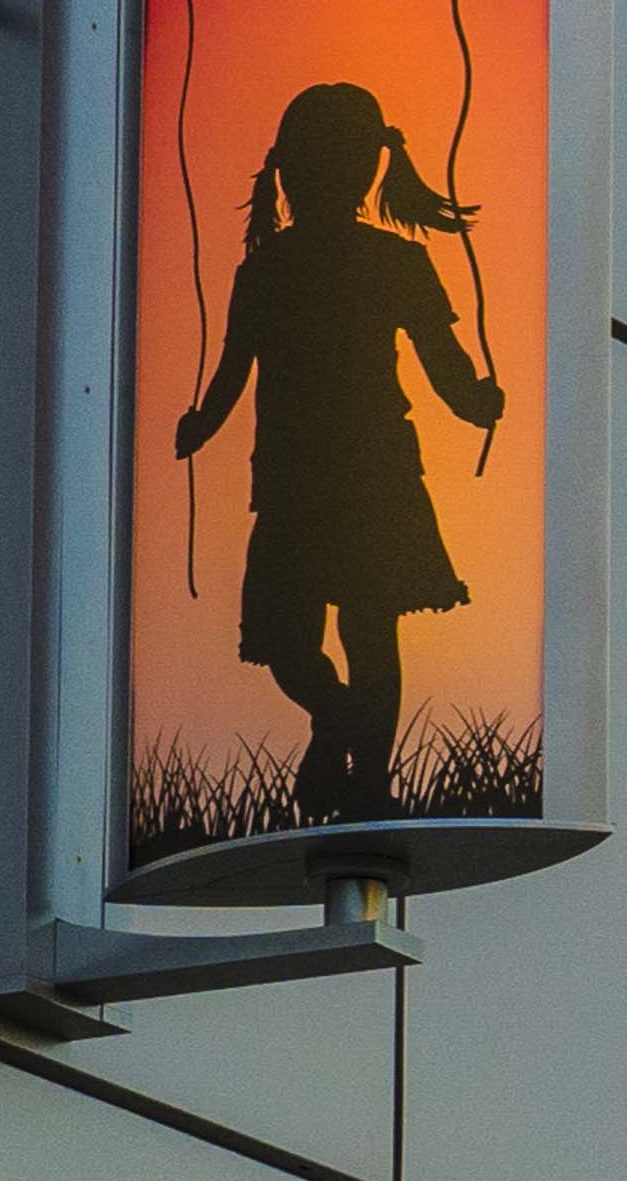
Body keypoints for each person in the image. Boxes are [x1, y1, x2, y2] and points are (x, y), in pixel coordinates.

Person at [166, 79, 493, 826]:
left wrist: (476, 400)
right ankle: (340, 723)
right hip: (302, 477)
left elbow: (444, 363)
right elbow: (233, 369)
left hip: (363, 473)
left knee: (363, 630)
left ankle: (370, 785)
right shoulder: (272, 268)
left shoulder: (388, 262)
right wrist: (203, 423)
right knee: (292, 639)